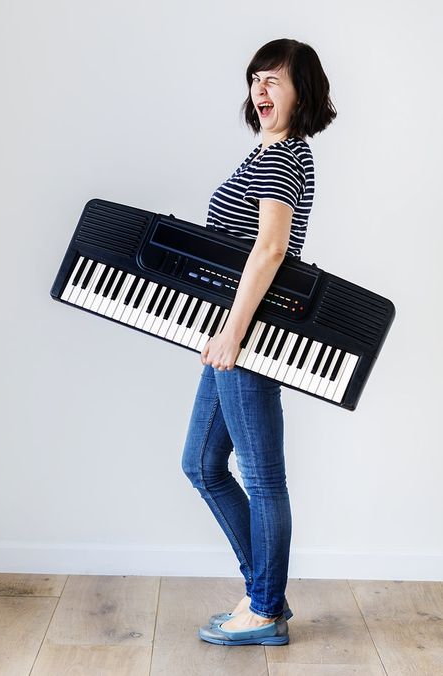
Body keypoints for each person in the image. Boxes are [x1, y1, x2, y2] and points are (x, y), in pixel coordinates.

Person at [181, 38, 337, 646]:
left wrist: (233, 332)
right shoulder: (271, 152)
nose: (261, 90)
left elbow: (270, 250)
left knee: (263, 476)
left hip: (246, 337)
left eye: (275, 80)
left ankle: (265, 607)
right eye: (256, 79)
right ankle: (263, 594)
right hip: (232, 335)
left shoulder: (280, 158)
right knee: (200, 463)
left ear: (303, 92)